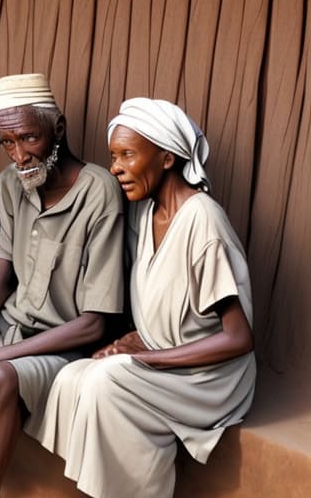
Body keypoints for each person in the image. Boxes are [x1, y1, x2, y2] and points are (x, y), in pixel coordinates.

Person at [35, 98, 257, 498]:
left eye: (127, 155)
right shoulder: (147, 211)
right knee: (72, 378)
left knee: (107, 382)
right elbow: (168, 302)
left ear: (167, 157)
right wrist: (134, 341)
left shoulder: (202, 220)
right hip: (165, 357)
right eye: (112, 156)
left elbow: (238, 339)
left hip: (211, 381)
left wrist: (143, 358)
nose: (116, 167)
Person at [0, 73, 125, 498]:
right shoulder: (8, 185)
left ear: (59, 130)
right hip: (11, 325)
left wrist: (0, 353)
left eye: (29, 139)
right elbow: (2, 279)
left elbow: (95, 324)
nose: (18, 156)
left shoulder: (100, 193)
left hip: (65, 343)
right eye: (7, 143)